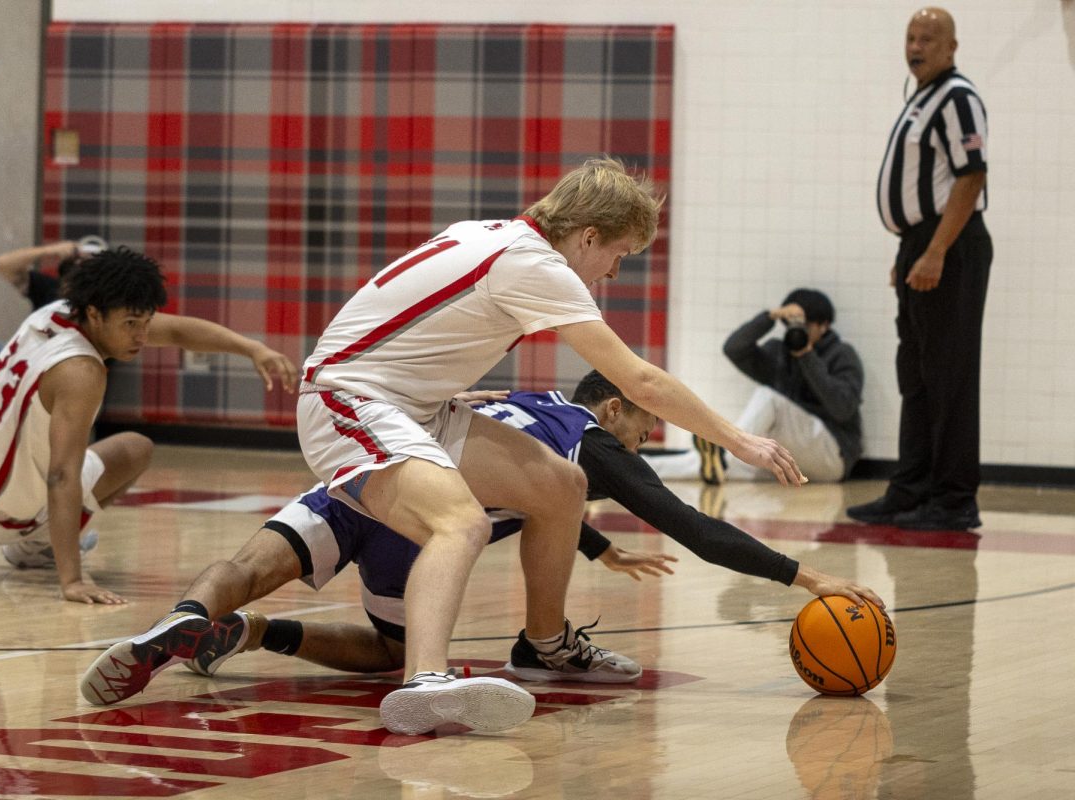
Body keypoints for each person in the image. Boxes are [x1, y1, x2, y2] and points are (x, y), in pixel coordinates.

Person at [85, 157, 808, 736]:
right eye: (617, 255)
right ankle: (423, 681)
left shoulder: (490, 235)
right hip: (350, 400)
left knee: (560, 486)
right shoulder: (538, 264)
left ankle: (547, 643)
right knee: (458, 521)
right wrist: (740, 439)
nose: (613, 274)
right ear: (588, 236)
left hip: (414, 406)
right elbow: (640, 379)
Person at [78, 372, 879, 692]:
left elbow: (533, 499)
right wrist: (806, 579)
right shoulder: (592, 444)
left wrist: (598, 545)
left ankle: (190, 618)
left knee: (247, 562)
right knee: (392, 652)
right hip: (425, 522)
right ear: (610, 409)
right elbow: (695, 527)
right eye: (646, 420)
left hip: (363, 473)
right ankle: (258, 635)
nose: (646, 436)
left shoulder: (525, 396)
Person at [0, 246, 298, 603]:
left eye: (146, 321)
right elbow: (62, 476)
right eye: (131, 323)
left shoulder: (54, 312)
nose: (142, 336)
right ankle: (36, 545)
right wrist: (72, 580)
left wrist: (253, 349)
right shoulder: (81, 371)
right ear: (95, 314)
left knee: (132, 448)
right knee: (106, 457)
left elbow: (179, 331)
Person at [848, 7, 991, 532]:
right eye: (911, 36)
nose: (917, 45)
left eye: (929, 38)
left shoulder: (958, 97)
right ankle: (911, 489)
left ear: (952, 47)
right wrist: (908, 253)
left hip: (949, 247)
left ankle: (954, 500)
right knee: (918, 375)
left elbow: (970, 178)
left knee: (949, 376)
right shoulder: (921, 98)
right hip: (921, 245)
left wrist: (934, 251)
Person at [644, 289, 863, 484]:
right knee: (722, 466)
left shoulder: (842, 354)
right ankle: (642, 467)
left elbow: (842, 409)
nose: (798, 330)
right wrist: (770, 317)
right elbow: (734, 349)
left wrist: (807, 355)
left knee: (767, 398)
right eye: (793, 325)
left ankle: (728, 450)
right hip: (789, 459)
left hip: (833, 457)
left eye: (805, 325)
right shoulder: (779, 353)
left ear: (823, 326)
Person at [0, 238, 104, 378]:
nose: (80, 265)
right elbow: (4, 264)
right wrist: (51, 250)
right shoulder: (51, 288)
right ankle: (0, 391)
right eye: (76, 262)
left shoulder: (98, 311)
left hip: (52, 380)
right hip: (17, 366)